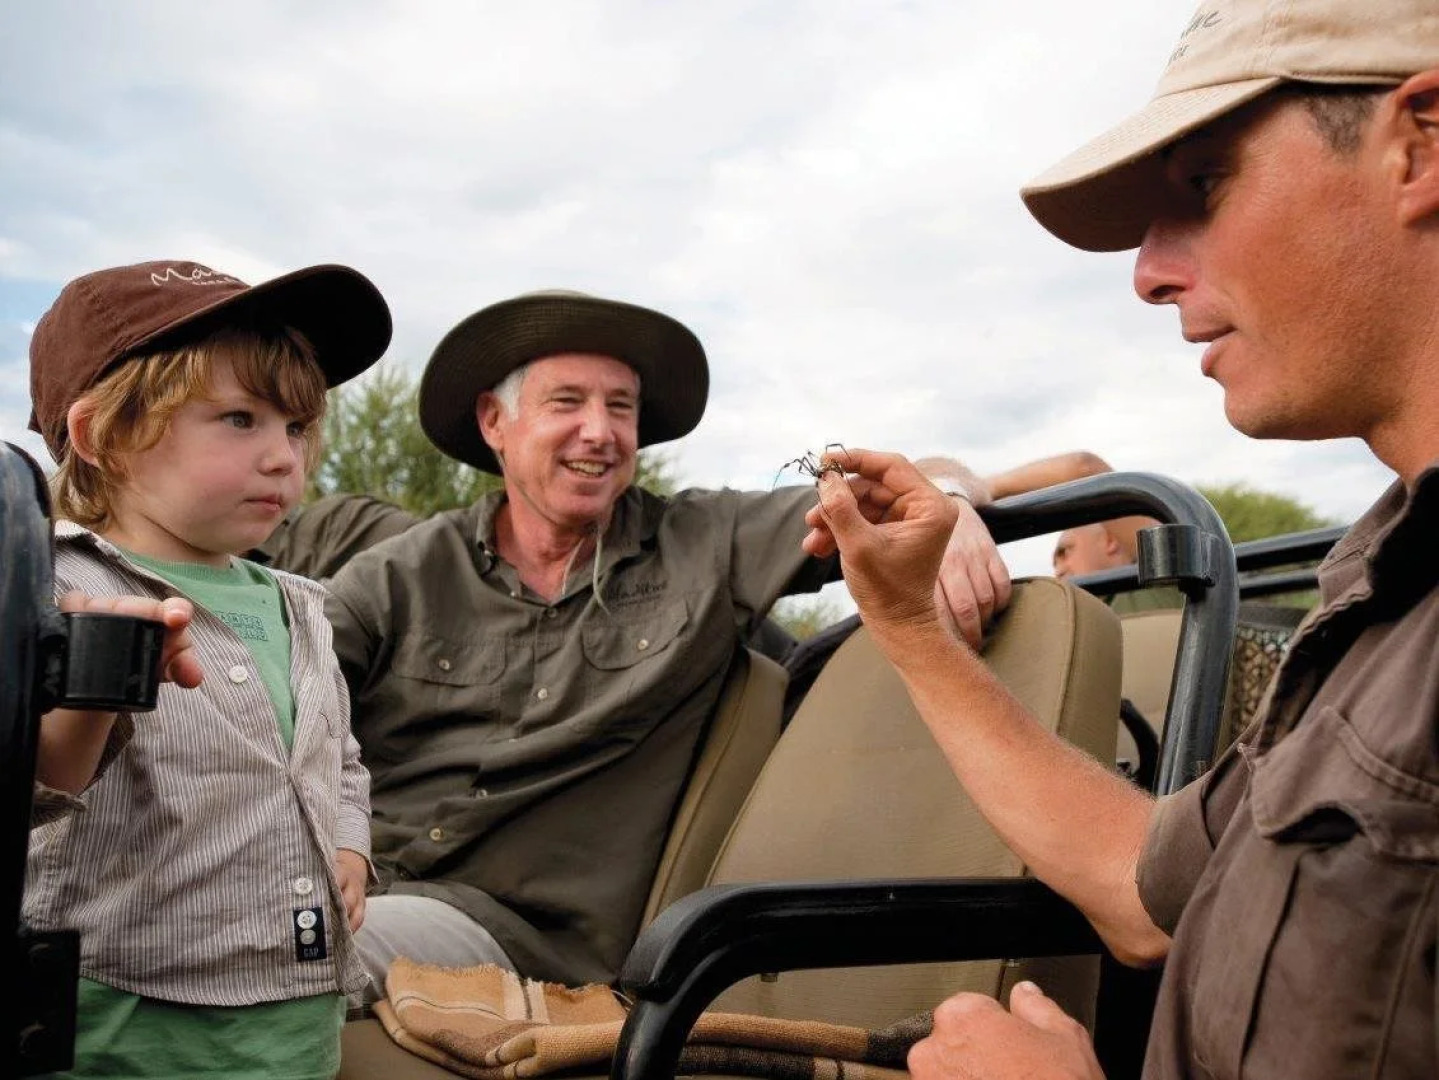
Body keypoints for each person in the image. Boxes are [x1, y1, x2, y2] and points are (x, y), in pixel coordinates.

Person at [803, 1, 1439, 1076]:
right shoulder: (1379, 601)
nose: (1146, 273)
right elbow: (1142, 886)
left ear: (1417, 146)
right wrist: (908, 621)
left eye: (1201, 187)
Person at [324, 289, 1011, 997]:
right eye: (567, 402)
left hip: (514, 937)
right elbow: (274, 698)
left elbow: (886, 487)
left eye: (619, 407)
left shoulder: (702, 543)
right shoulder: (401, 572)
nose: (600, 431)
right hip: (338, 881)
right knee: (232, 934)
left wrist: (947, 501)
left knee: (292, 958)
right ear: (495, 421)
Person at [24, 259, 391, 1078]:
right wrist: (92, 682)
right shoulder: (47, 589)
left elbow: (342, 762)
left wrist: (352, 849)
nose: (281, 458)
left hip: (295, 1018)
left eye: (294, 428)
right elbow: (36, 789)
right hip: (121, 1022)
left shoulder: (300, 605)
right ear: (102, 437)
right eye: (238, 419)